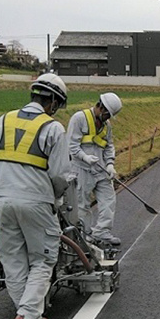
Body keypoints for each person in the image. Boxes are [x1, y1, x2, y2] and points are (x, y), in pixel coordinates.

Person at [0, 73, 70, 319]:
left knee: (13, 260)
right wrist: (57, 198)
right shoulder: (53, 128)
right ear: (51, 101)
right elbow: (61, 175)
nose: (55, 109)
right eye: (57, 104)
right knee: (43, 259)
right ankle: (27, 317)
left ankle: (31, 318)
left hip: (3, 201)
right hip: (37, 201)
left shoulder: (4, 120)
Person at [67, 92, 123, 245]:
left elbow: (109, 145)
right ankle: (84, 236)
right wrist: (85, 157)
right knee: (81, 205)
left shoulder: (106, 126)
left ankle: (102, 232)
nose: (108, 118)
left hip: (101, 169)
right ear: (101, 107)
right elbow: (71, 145)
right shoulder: (79, 119)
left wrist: (110, 163)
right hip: (81, 169)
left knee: (108, 199)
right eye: (107, 115)